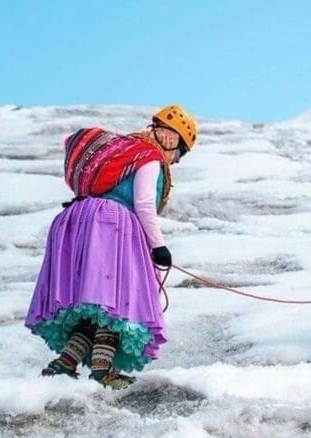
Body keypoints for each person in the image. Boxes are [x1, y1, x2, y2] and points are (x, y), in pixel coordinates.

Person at [25, 105, 197, 388]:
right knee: (117, 304)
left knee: (95, 306)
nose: (176, 161)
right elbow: (144, 203)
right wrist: (159, 246)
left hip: (79, 222)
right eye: (181, 153)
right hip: (112, 225)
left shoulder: (125, 151)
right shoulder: (149, 157)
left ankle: (65, 362)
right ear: (172, 139)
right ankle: (102, 369)